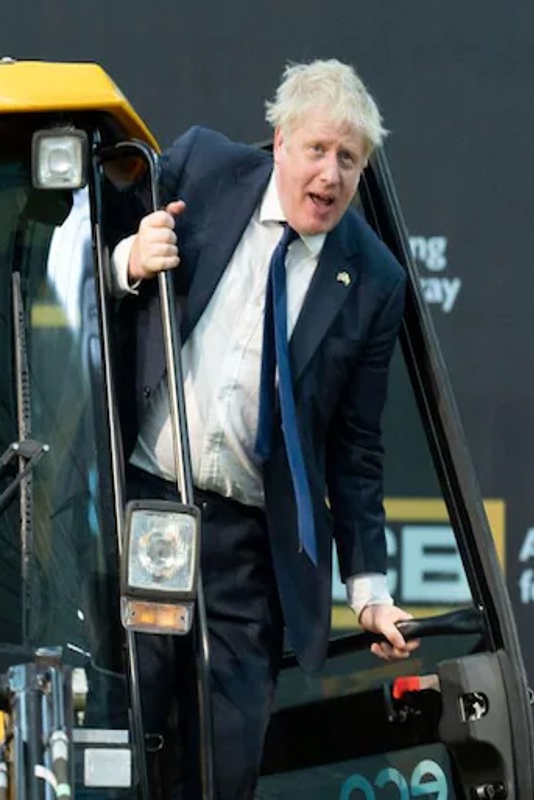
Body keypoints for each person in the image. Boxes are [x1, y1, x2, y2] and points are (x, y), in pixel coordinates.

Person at [109, 59, 420, 799]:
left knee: (225, 762)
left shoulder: (374, 282)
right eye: (319, 150)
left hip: (251, 552)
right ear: (279, 141)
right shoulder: (201, 169)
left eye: (350, 159)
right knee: (115, 743)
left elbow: (356, 451)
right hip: (145, 508)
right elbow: (70, 249)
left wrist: (370, 590)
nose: (332, 175)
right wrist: (126, 259)